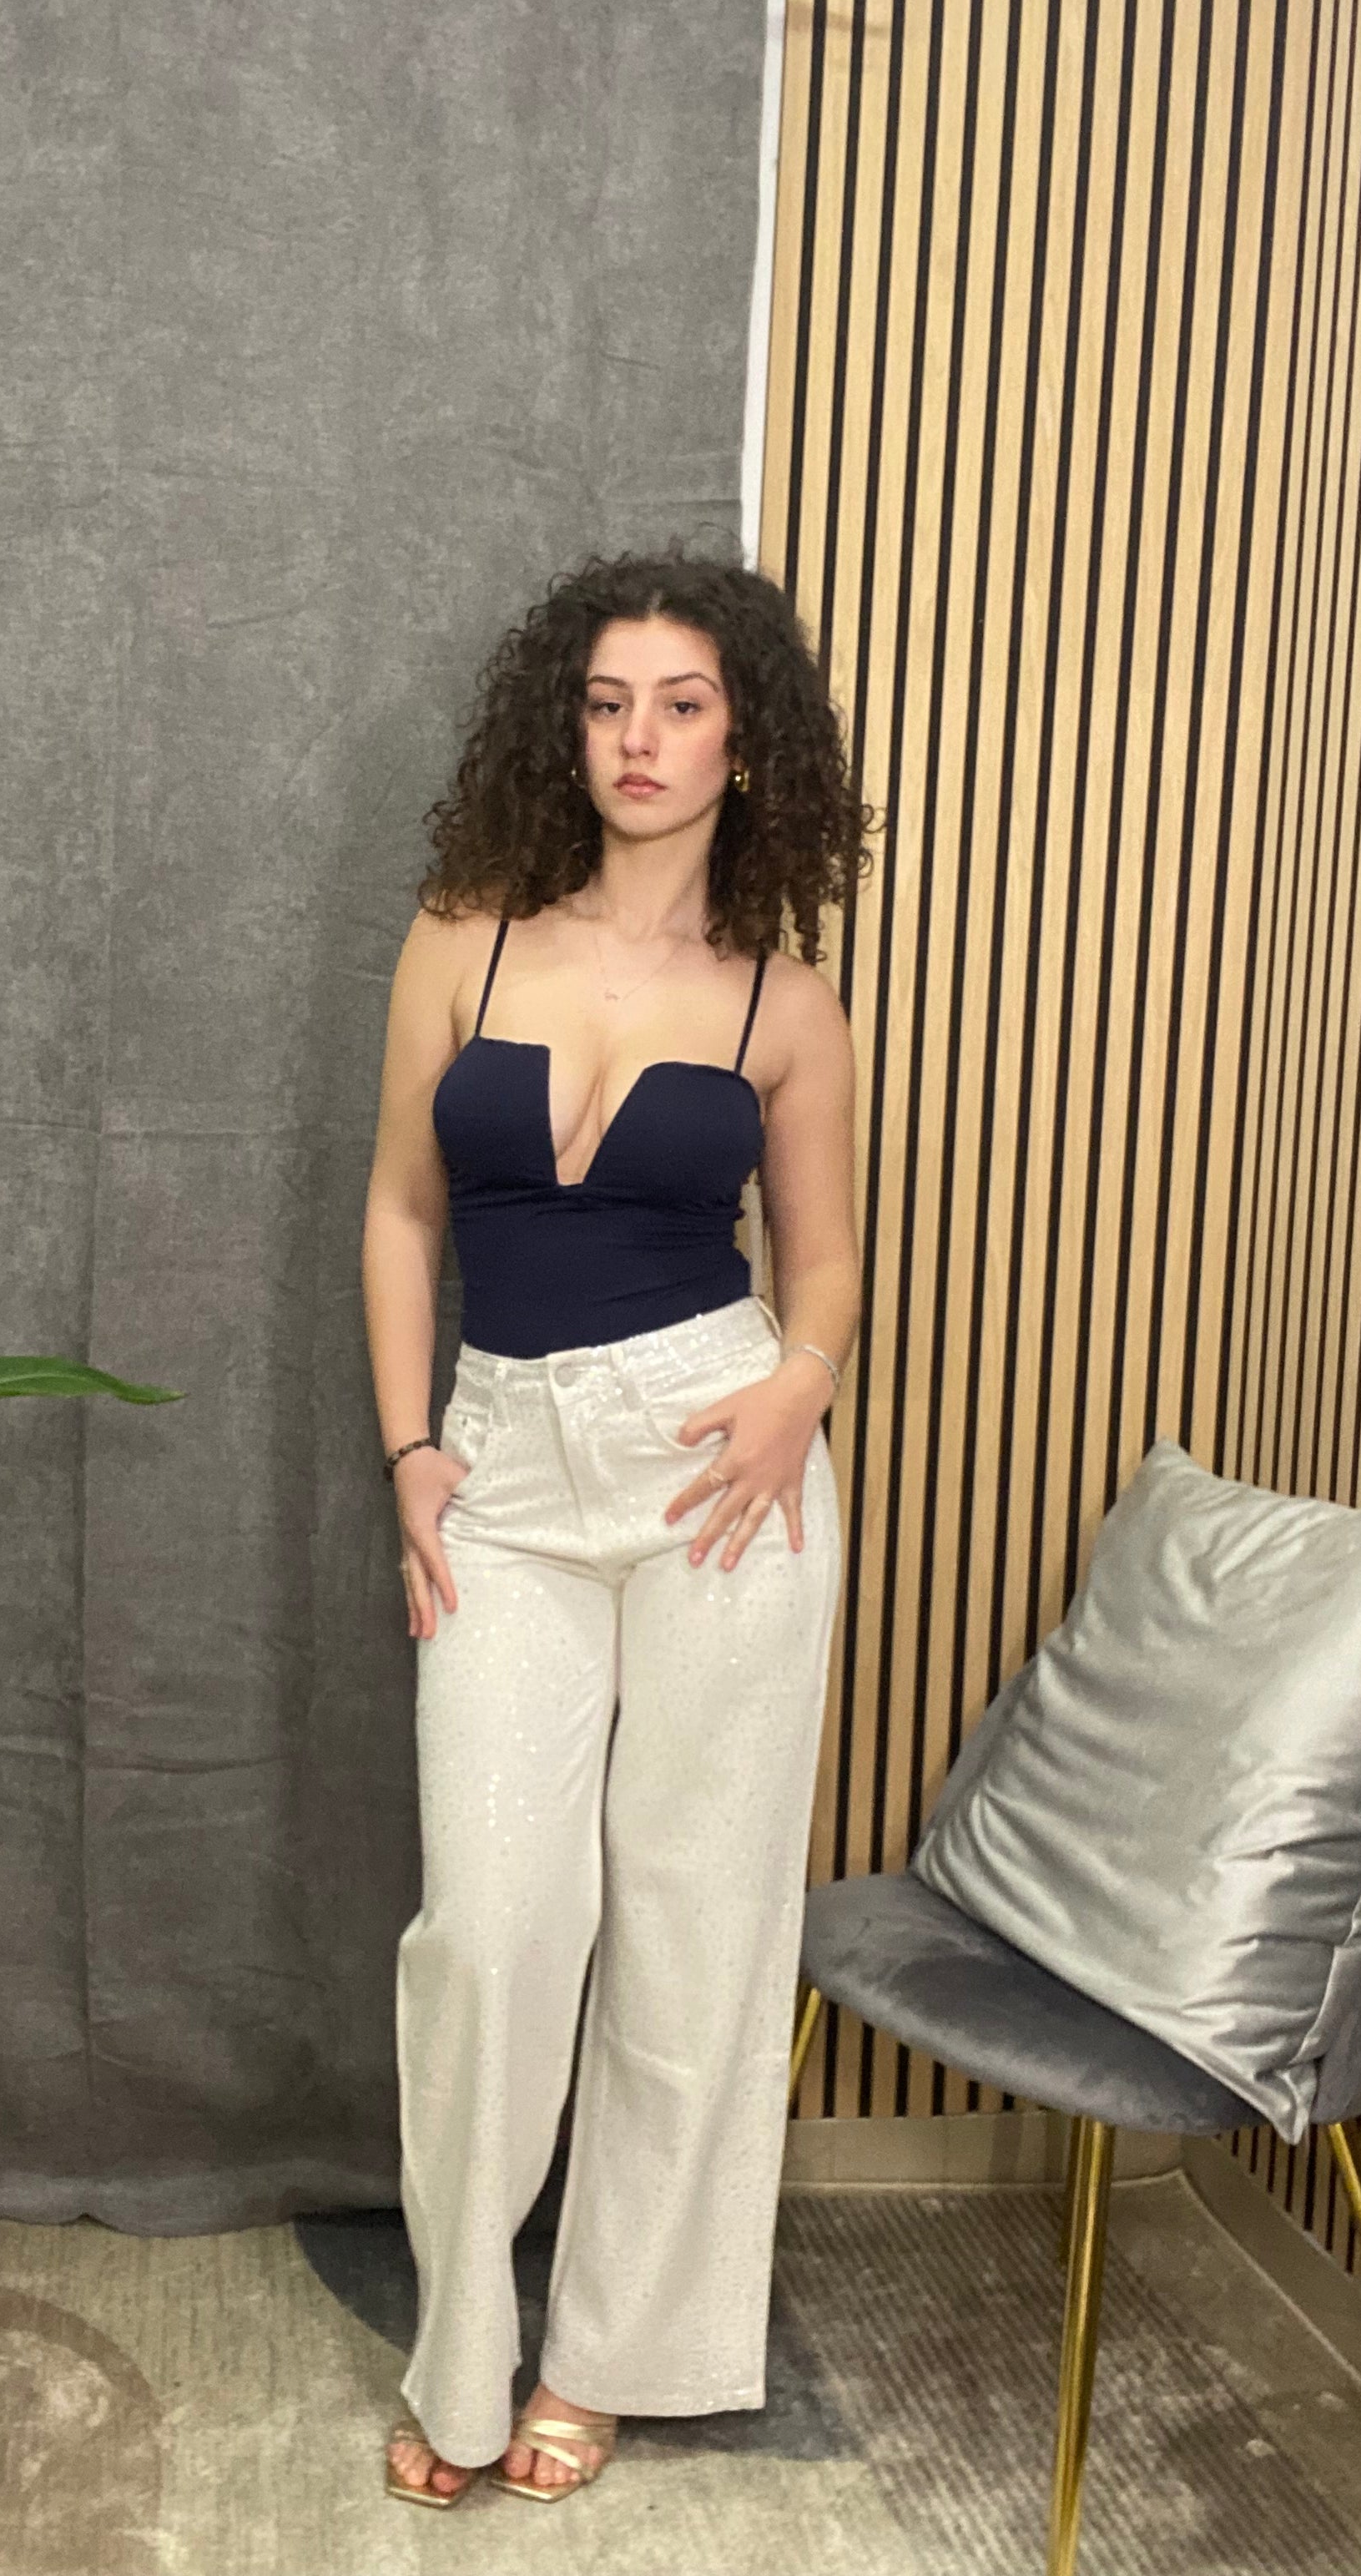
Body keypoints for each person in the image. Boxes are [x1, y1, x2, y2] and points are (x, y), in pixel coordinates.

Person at [360, 548, 867, 2507]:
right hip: (500, 1466)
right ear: (560, 730)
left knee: (695, 1921)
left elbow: (824, 1261)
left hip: (714, 1468)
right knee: (493, 1928)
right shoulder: (464, 940)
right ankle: (462, 2356)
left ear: (746, 743)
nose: (638, 738)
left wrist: (801, 1381)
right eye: (604, 702)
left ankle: (608, 2353)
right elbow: (402, 1210)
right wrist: (410, 1448)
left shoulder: (787, 1003)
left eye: (681, 703)